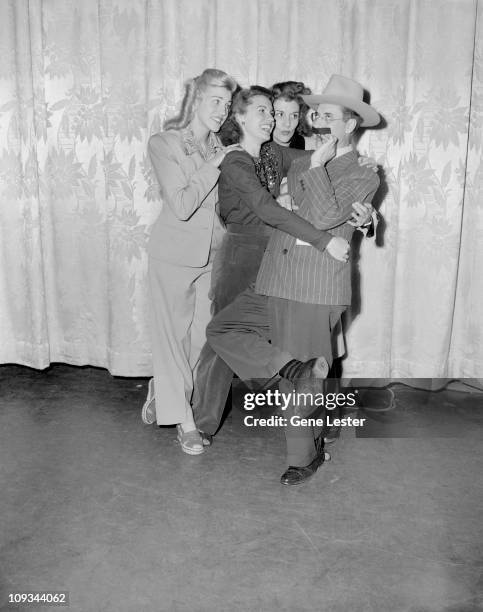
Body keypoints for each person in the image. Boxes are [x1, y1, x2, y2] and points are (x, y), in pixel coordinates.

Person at [207, 75, 381, 484]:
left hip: (313, 286)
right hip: (273, 278)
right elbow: (267, 200)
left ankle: (304, 458)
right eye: (319, 113)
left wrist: (367, 217)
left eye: (330, 115)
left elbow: (321, 218)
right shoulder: (300, 159)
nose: (319, 120)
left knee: (300, 390)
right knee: (223, 329)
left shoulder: (364, 173)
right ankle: (286, 367)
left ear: (350, 125)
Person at [191, 86, 357, 440]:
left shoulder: (273, 154)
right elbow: (266, 209)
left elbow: (306, 165)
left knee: (301, 334)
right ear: (240, 118)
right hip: (242, 256)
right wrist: (323, 240)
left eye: (283, 114)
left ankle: (312, 418)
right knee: (221, 340)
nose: (275, 121)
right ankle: (201, 423)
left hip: (276, 257)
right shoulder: (237, 158)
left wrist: (351, 161)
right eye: (267, 113)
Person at [140, 68, 240, 455]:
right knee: (172, 339)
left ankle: (161, 390)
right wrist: (214, 165)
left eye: (228, 104)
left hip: (215, 256)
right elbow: (181, 204)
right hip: (172, 255)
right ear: (195, 100)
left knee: (202, 341)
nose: (222, 111)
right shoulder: (163, 143)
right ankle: (185, 422)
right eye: (215, 101)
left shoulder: (226, 146)